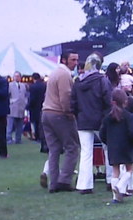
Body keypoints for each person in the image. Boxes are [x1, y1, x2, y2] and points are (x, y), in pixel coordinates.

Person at [72, 54, 111, 194]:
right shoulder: (103, 81)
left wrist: (79, 115)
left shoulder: (78, 82)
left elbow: (73, 104)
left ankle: (84, 185)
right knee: (108, 150)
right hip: (100, 120)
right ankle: (111, 180)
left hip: (83, 120)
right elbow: (108, 100)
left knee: (86, 153)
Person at [42, 51, 80, 192]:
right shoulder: (64, 74)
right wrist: (69, 112)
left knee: (54, 150)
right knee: (72, 148)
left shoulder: (54, 72)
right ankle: (64, 181)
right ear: (64, 60)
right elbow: (65, 96)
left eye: (77, 60)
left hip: (46, 113)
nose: (76, 63)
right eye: (73, 59)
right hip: (59, 114)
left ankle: (53, 184)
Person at [98, 87, 133, 205]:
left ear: (112, 101)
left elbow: (102, 133)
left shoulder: (107, 117)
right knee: (129, 169)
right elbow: (132, 132)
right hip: (126, 146)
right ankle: (121, 186)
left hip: (112, 147)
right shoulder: (128, 116)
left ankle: (115, 197)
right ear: (125, 101)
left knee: (115, 171)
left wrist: (108, 142)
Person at [7, 71, 28, 145]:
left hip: (21, 108)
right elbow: (7, 95)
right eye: (15, 76)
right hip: (12, 107)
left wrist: (25, 102)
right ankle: (8, 138)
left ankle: (18, 139)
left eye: (18, 76)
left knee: (20, 125)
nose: (17, 77)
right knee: (10, 124)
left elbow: (25, 95)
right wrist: (10, 101)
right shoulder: (10, 85)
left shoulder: (23, 85)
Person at [27, 72, 46, 143]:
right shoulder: (44, 85)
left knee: (35, 122)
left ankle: (36, 136)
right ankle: (42, 136)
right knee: (41, 123)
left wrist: (28, 106)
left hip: (34, 107)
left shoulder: (32, 87)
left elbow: (32, 98)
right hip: (43, 106)